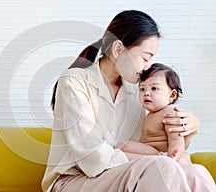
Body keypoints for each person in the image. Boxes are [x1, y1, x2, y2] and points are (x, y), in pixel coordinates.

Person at [42, 10, 215, 192]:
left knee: (196, 172)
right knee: (160, 167)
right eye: (145, 57)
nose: (148, 66)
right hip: (72, 181)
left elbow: (149, 142)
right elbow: (91, 157)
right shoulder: (74, 82)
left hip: (122, 174)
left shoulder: (136, 91)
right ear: (118, 49)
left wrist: (188, 128)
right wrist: (156, 158)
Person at [115, 63, 190, 164]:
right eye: (142, 89)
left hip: (165, 154)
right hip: (154, 153)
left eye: (154, 88)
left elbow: (176, 139)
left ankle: (159, 161)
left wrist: (173, 156)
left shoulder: (170, 112)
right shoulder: (150, 114)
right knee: (120, 151)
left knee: (123, 147)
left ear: (172, 95)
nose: (146, 93)